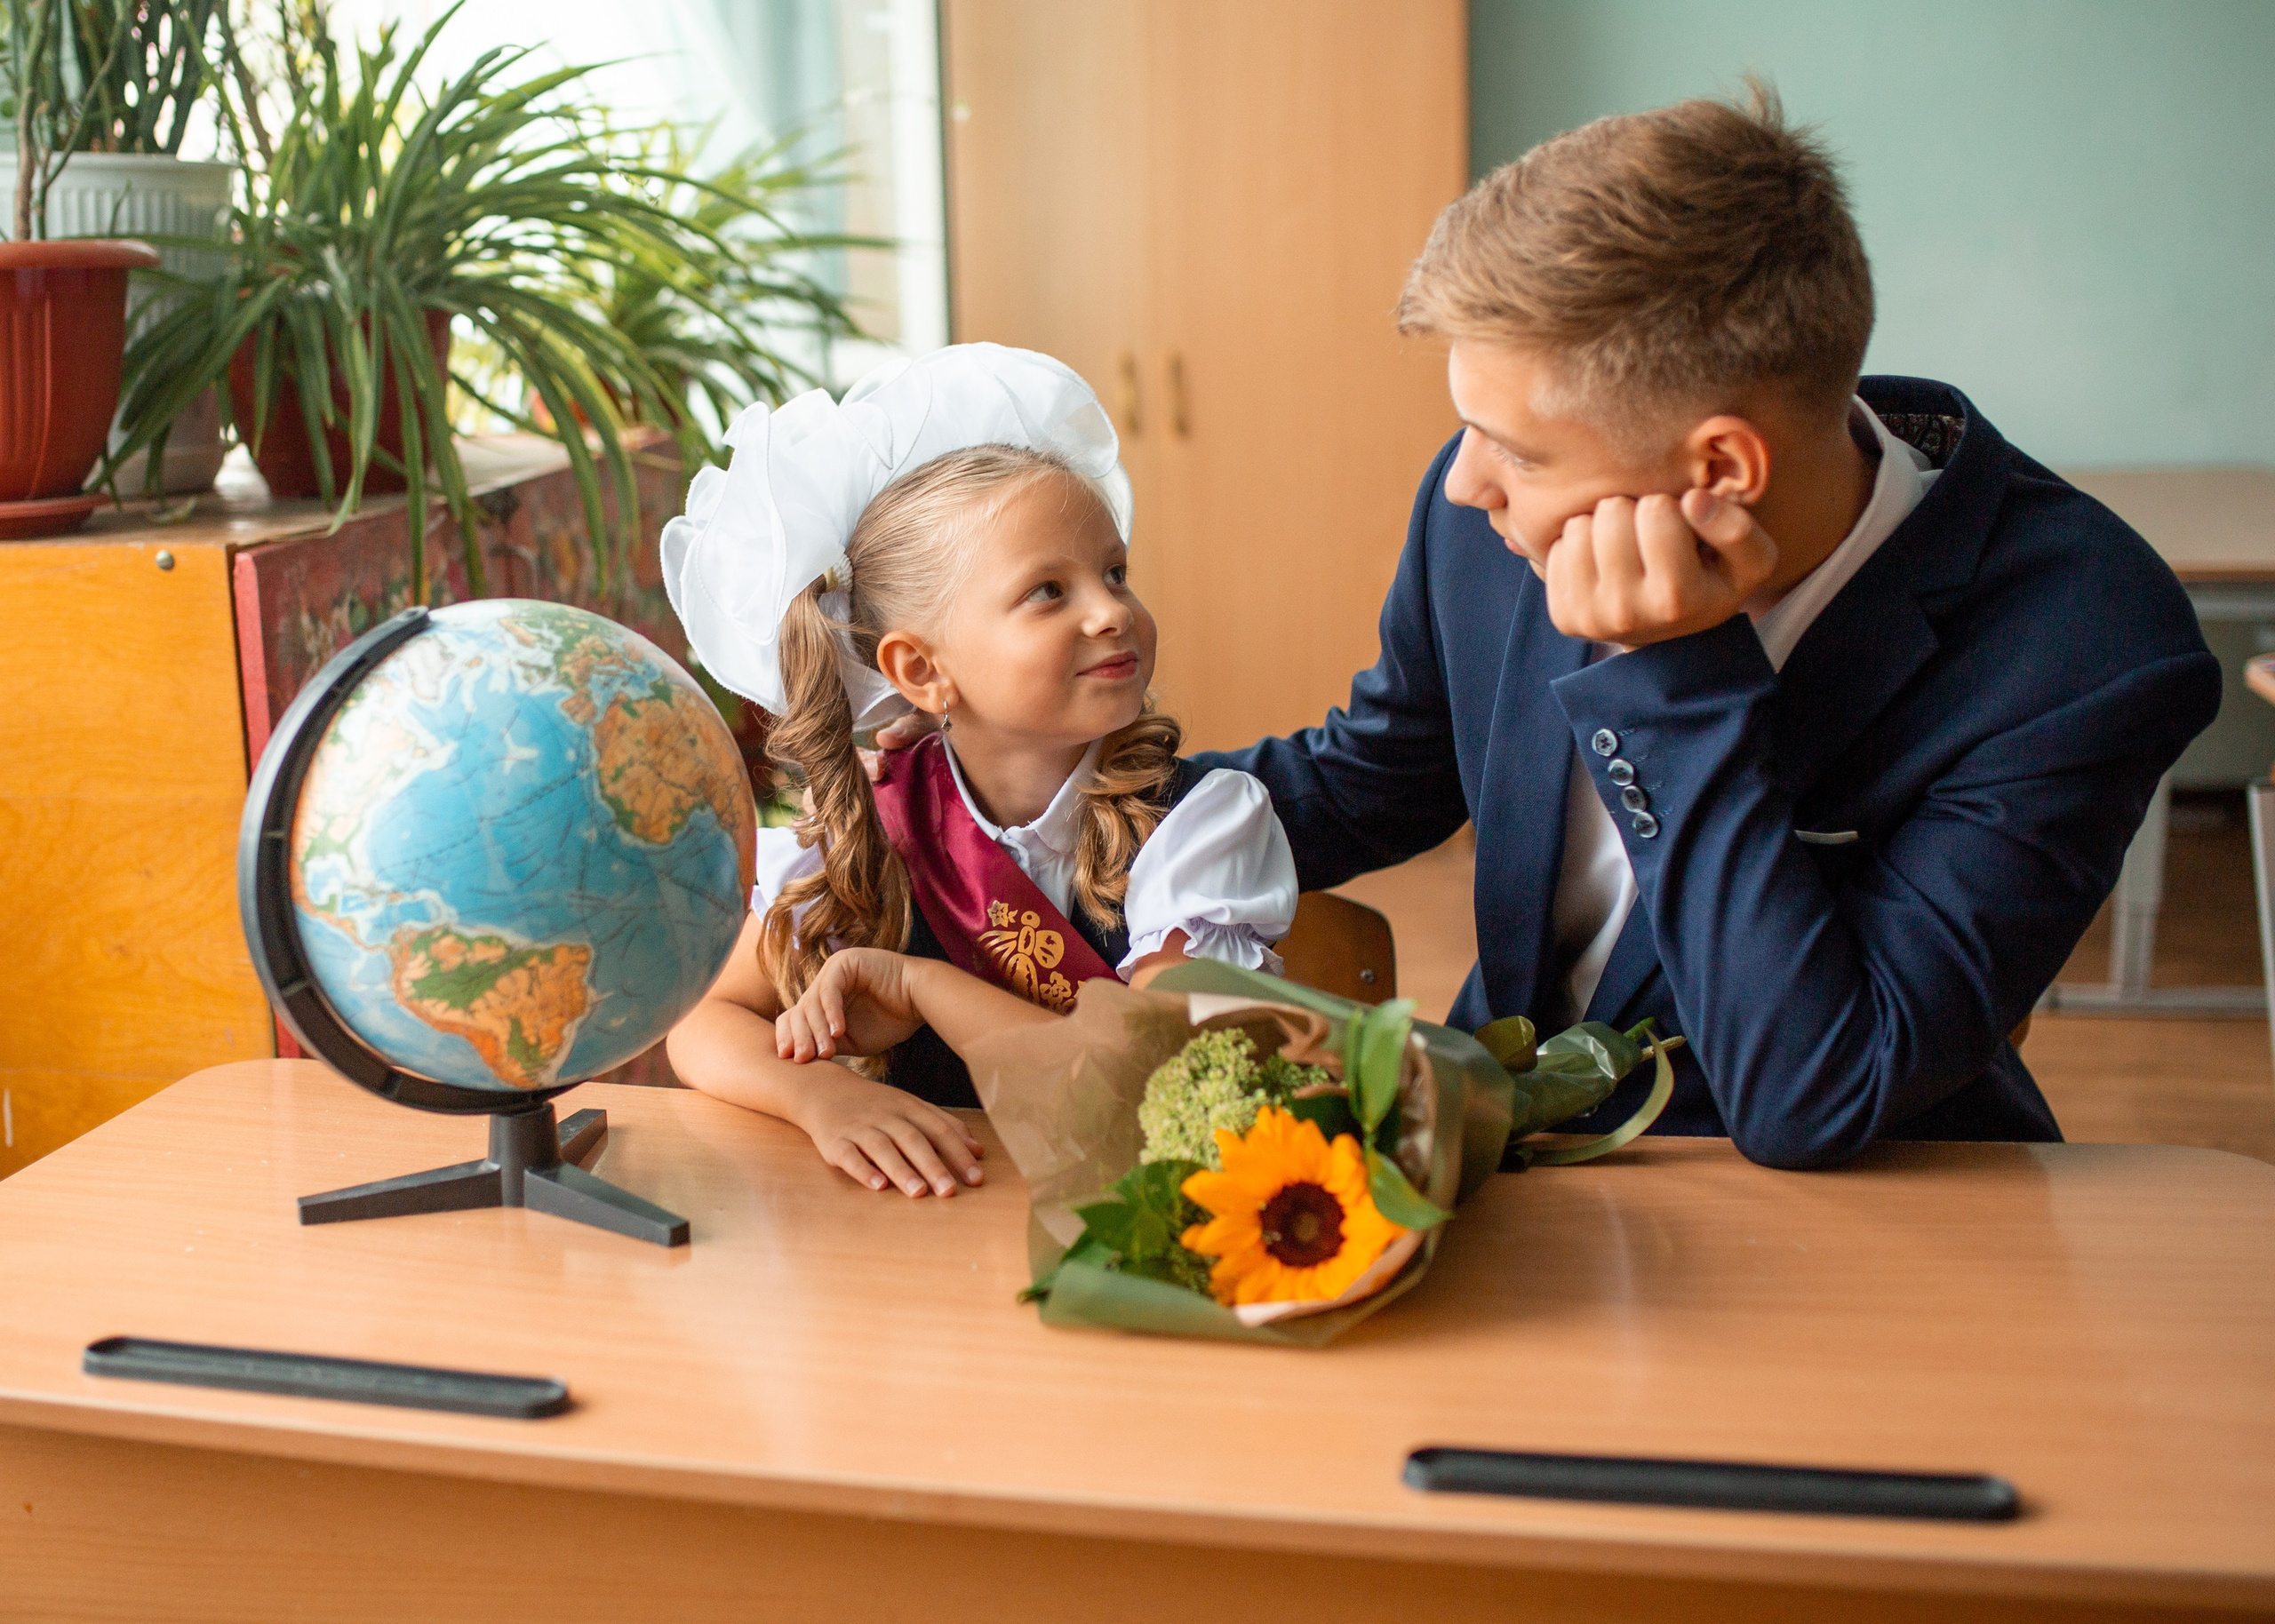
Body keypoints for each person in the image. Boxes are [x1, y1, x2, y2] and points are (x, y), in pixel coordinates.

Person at [886, 87, 2222, 1170]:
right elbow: (1378, 775)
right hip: (1492, 1145)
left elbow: (1822, 1092)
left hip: (1870, 1215)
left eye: (1511, 448)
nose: (1464, 484)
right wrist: (991, 806)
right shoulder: (1492, 512)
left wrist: (1679, 677)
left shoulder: (2082, 644)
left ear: (1719, 476)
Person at [663, 345, 1298, 1198]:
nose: (1112, 610)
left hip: (1131, 1219)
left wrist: (923, 985)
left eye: (1115, 573)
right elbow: (701, 1017)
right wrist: (820, 1096)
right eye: (1049, 591)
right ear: (922, 671)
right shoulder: (878, 826)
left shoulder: (1202, 823)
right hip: (926, 1236)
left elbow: (1159, 1069)